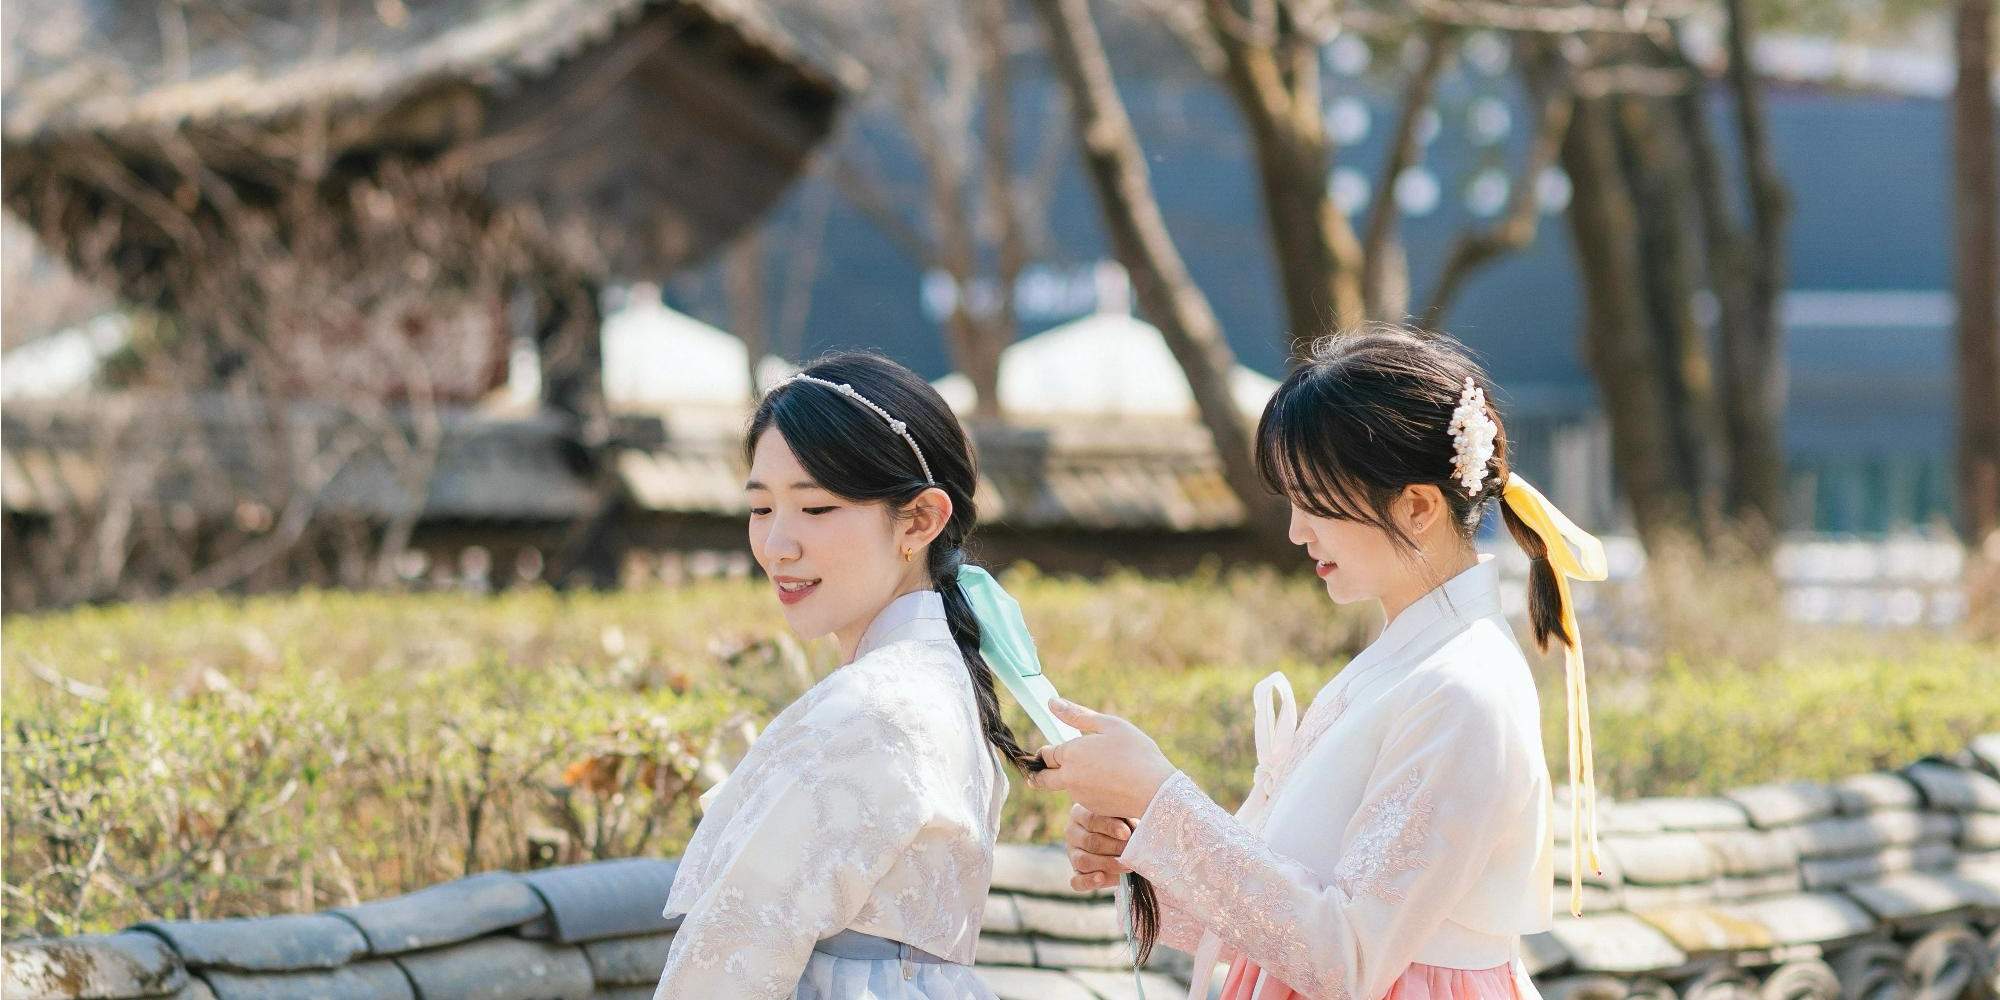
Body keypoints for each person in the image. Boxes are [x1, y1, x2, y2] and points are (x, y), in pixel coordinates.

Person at [1030, 328, 1608, 1000]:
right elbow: (1295, 909)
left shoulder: (1462, 688)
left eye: (1315, 501)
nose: (1297, 530)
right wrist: (1146, 843)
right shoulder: (1416, 662)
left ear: (1416, 506)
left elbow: (1348, 957)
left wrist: (1163, 800)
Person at [655, 352, 1036, 999]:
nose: (778, 545)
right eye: (760, 508)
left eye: (816, 509)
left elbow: (729, 962)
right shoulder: (929, 682)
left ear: (919, 520)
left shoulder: (872, 706)